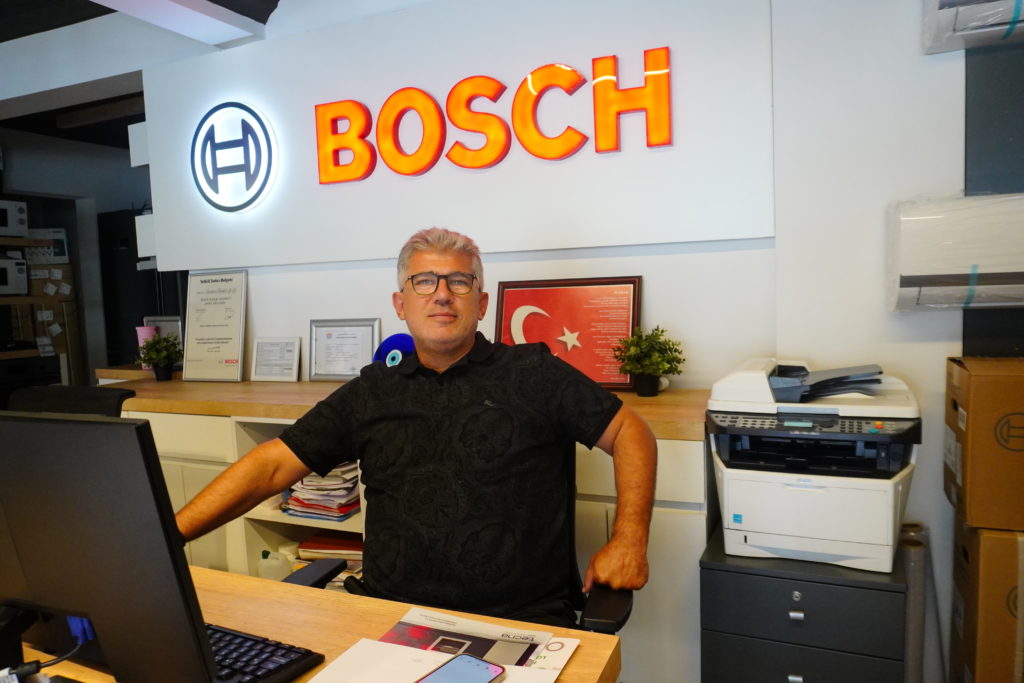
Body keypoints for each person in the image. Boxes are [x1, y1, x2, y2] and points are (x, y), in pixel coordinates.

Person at [176, 227, 657, 627]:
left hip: (518, 622)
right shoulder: (373, 390)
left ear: (481, 303)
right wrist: (168, 537)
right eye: (424, 282)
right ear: (400, 303)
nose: (442, 294)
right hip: (390, 619)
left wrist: (629, 539)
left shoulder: (534, 373)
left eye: (459, 282)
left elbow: (630, 433)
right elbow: (271, 466)